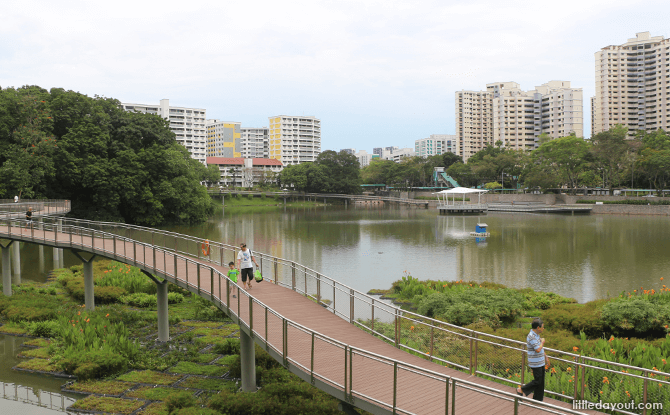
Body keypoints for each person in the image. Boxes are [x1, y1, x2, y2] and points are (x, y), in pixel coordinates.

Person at [517, 318, 549, 401]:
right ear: (538, 328)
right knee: (538, 381)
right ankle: (521, 390)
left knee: (541, 382)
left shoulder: (536, 335)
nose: (543, 328)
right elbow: (538, 349)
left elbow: (540, 349)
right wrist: (542, 342)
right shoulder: (531, 336)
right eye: (542, 327)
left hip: (540, 361)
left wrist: (546, 357)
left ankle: (538, 400)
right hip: (535, 363)